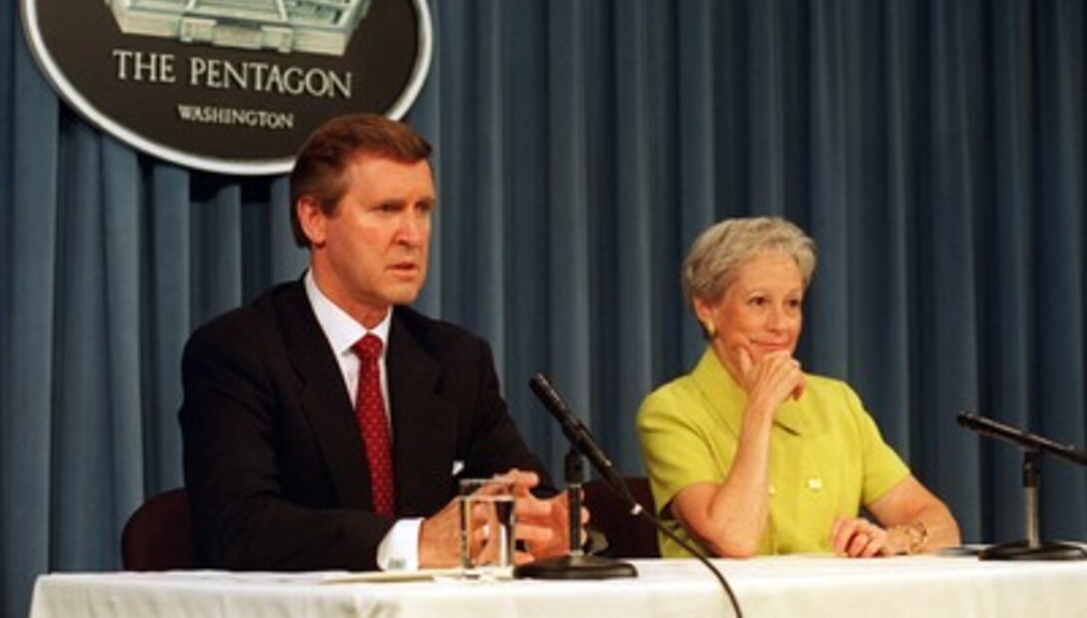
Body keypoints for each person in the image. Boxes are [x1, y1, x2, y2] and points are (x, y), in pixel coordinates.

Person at [180, 113, 573, 571]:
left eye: (422, 209)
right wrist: (413, 542)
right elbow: (239, 526)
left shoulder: (456, 359)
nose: (412, 235)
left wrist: (542, 529)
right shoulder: (239, 351)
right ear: (314, 219)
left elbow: (529, 496)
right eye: (387, 209)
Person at [636, 216, 960, 558]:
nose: (780, 325)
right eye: (758, 302)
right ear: (707, 308)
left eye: (792, 304)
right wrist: (760, 408)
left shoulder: (838, 402)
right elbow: (735, 539)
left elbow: (943, 525)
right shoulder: (670, 411)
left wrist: (899, 538)